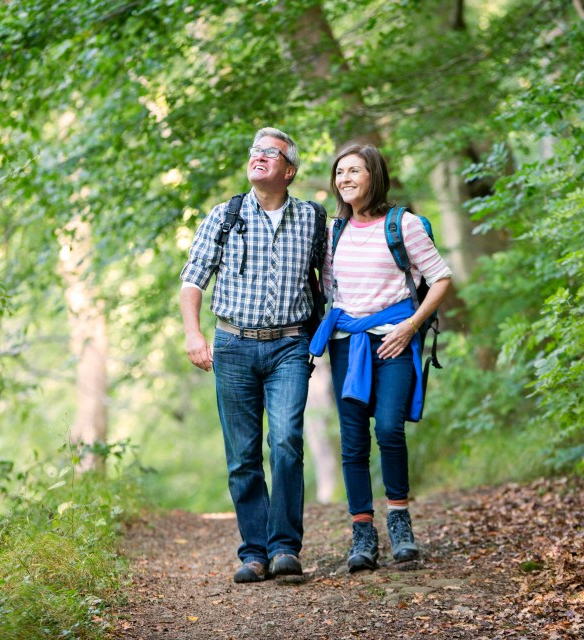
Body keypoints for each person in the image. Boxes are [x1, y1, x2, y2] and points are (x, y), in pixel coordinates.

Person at [180, 127, 326, 583]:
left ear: (289, 170)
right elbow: (192, 281)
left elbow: (334, 282)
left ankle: (285, 548)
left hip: (289, 345)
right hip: (233, 345)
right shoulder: (224, 216)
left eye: (271, 153)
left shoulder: (313, 219)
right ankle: (254, 553)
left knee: (285, 442)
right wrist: (192, 334)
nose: (259, 157)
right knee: (243, 455)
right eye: (255, 151)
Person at [309, 144, 452, 572]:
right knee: (353, 442)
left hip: (395, 338)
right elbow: (329, 289)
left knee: (389, 427)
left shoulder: (402, 225)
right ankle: (362, 533)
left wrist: (411, 326)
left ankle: (400, 521)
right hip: (347, 343)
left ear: (374, 175)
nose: (345, 179)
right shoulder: (334, 230)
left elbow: (440, 277)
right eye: (339, 173)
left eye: (354, 170)